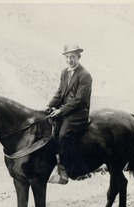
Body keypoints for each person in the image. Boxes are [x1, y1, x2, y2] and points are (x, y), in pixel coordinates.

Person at [45, 43, 92, 184]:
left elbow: (79, 100)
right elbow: (60, 92)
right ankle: (53, 164)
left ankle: (68, 169)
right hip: (64, 110)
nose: (70, 60)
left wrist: (61, 110)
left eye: (73, 57)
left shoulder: (85, 75)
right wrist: (49, 106)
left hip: (78, 113)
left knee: (64, 135)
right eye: (67, 57)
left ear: (78, 57)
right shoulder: (64, 72)